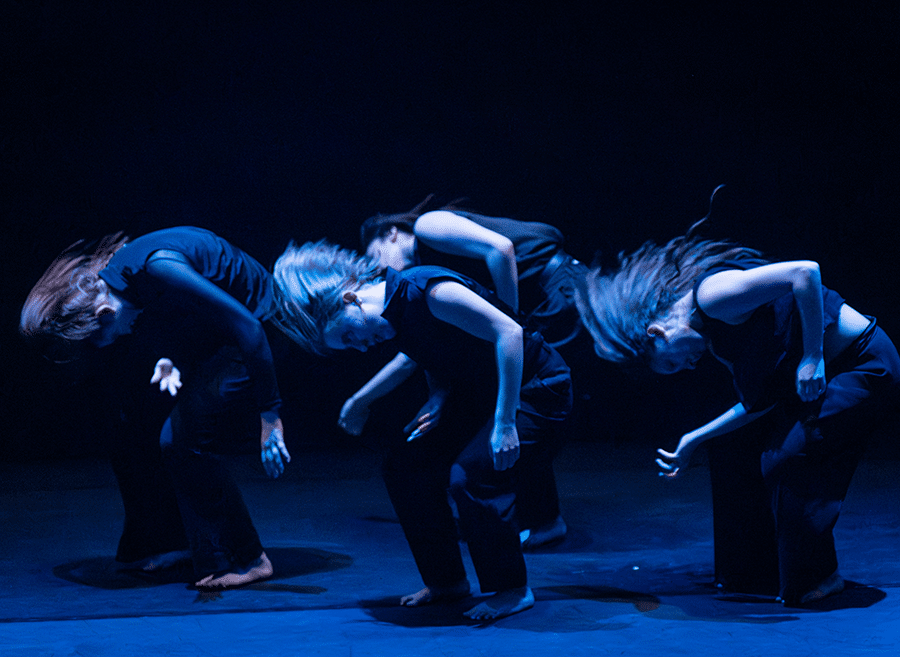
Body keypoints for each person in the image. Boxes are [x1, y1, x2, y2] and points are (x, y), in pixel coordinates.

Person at [575, 215, 900, 606]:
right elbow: (757, 402)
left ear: (656, 332)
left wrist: (812, 356)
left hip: (865, 361)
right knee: (757, 456)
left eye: (673, 363)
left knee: (790, 456)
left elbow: (804, 272)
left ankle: (821, 576)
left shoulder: (713, 296)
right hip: (836, 372)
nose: (689, 366)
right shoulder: (716, 338)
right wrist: (693, 440)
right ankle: (780, 573)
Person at [273, 240, 572, 619]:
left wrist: (505, 421)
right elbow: (440, 348)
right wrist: (439, 396)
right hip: (482, 393)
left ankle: (512, 588)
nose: (361, 348)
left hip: (536, 389)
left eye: (349, 336)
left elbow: (509, 333)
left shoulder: (425, 289)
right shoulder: (396, 317)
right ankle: (446, 581)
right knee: (405, 466)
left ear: (350, 298)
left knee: (472, 475)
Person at [20, 226, 291, 589]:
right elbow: (185, 316)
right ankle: (178, 542)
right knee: (138, 429)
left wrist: (270, 415)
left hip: (262, 331)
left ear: (103, 314)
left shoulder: (158, 266)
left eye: (102, 338)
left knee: (181, 440)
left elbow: (248, 323)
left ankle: (249, 559)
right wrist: (171, 360)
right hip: (222, 338)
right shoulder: (123, 279)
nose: (113, 340)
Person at [360, 196, 586, 548]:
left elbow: (501, 249)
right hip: (541, 299)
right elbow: (419, 353)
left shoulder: (427, 226)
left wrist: (508, 320)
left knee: (525, 404)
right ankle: (539, 516)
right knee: (507, 404)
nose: (379, 268)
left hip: (556, 290)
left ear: (390, 233)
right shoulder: (421, 283)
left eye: (374, 256)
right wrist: (438, 392)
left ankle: (541, 519)